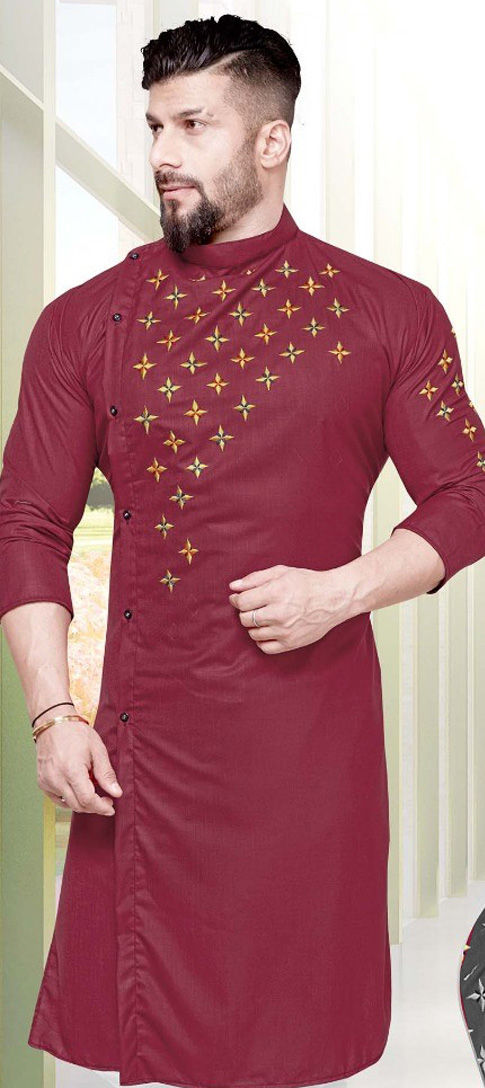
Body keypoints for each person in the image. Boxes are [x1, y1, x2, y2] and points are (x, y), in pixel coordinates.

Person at [1, 12, 485, 1088]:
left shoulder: (388, 313)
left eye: (194, 125)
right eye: (153, 126)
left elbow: (468, 491)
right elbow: (26, 520)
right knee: (160, 1042)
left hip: (308, 748)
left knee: (296, 1043)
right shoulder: (85, 322)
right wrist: (51, 711)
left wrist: (341, 590)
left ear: (272, 140)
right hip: (144, 746)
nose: (163, 153)